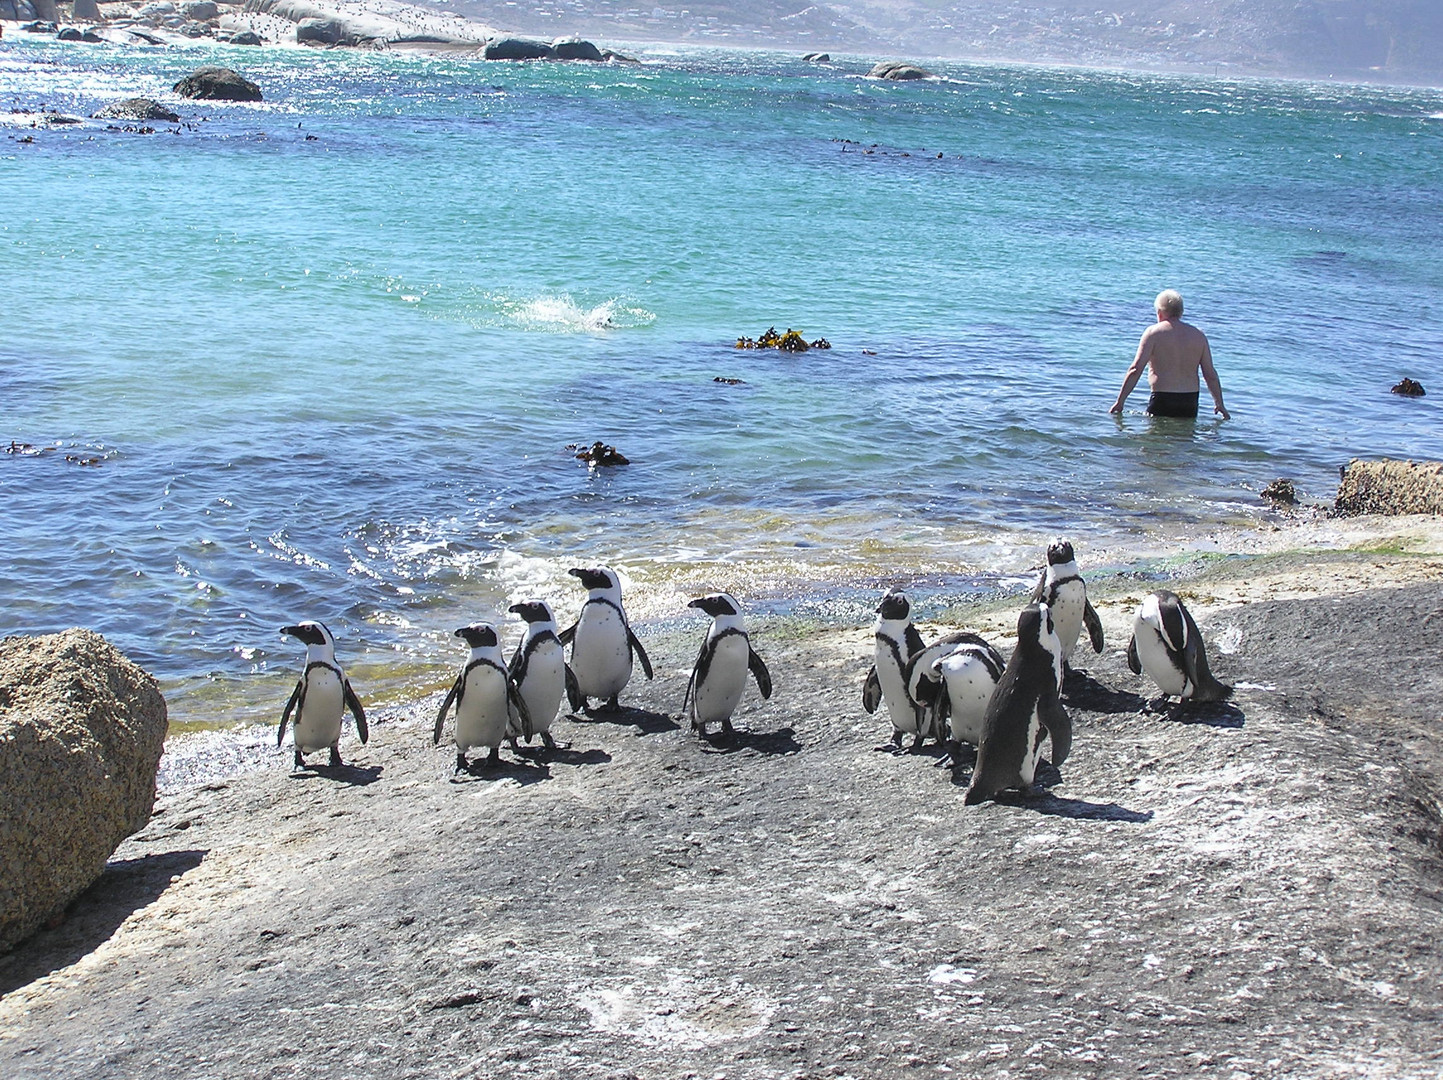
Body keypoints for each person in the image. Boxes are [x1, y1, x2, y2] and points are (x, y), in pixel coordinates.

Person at [1109, 290, 1229, 420]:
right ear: (1181, 313)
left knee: (1157, 438)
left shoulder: (1153, 333)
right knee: (1185, 438)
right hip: (1190, 401)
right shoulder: (1198, 335)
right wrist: (1219, 403)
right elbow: (1210, 374)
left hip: (1162, 399)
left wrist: (1120, 402)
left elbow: (1135, 369)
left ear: (1159, 313)